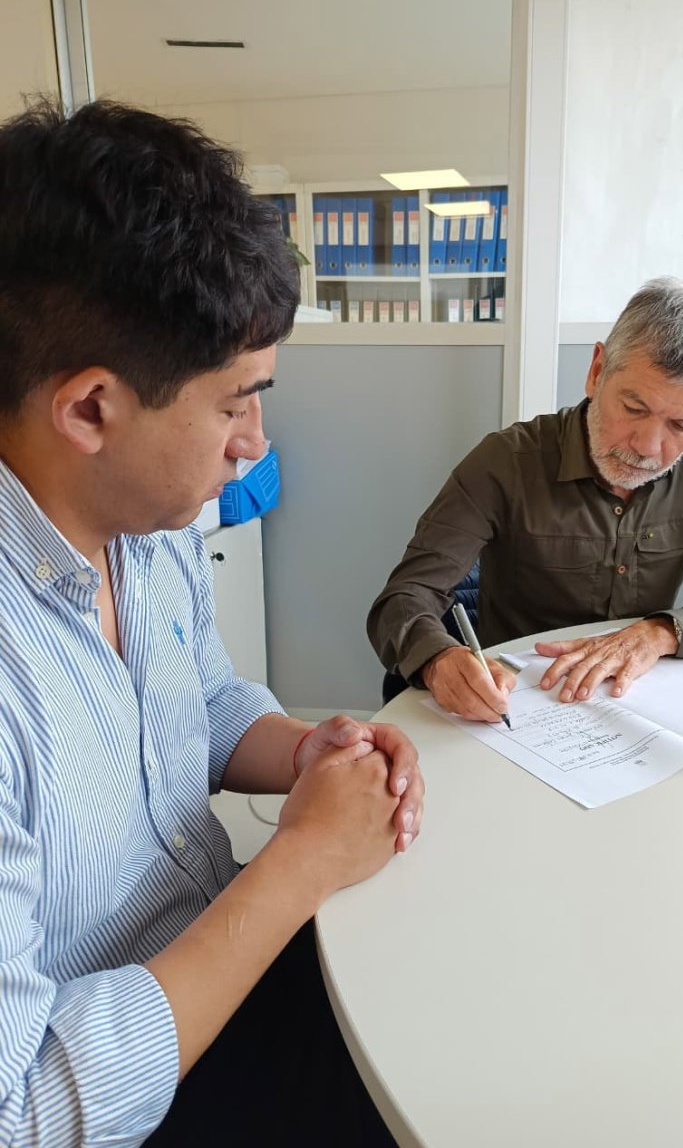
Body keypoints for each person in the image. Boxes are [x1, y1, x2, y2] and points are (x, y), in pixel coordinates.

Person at [0, 99, 423, 1147]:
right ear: (90, 408)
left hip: (231, 953)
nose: (254, 441)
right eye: (237, 400)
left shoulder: (148, 520)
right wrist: (301, 864)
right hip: (127, 1097)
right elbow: (27, 1112)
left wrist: (306, 751)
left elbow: (202, 696)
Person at [368, 277, 683, 723]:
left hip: (638, 703)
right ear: (596, 370)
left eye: (682, 426)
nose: (649, 447)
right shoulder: (506, 461)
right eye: (633, 408)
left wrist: (662, 632)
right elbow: (403, 598)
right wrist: (439, 661)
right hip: (522, 706)